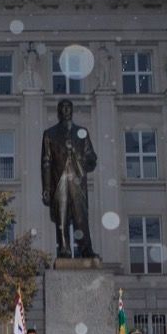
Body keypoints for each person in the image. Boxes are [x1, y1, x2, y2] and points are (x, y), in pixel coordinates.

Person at [41, 98, 98, 258]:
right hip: (59, 179)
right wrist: (46, 187)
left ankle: (86, 249)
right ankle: (64, 248)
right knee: (62, 216)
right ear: (59, 112)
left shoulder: (82, 132)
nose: (66, 110)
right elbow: (46, 162)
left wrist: (90, 159)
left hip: (77, 178)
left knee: (81, 216)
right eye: (63, 108)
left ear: (72, 111)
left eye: (68, 107)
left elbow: (90, 155)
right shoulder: (50, 134)